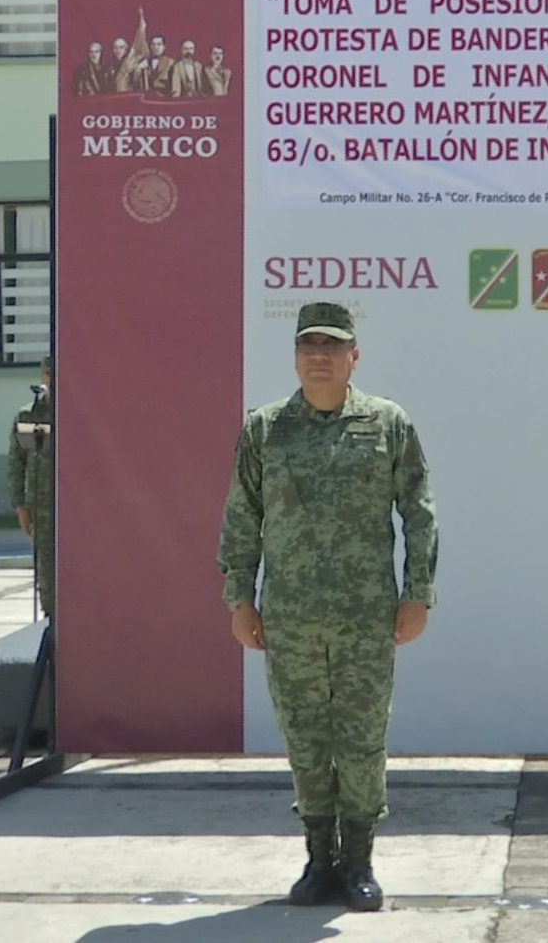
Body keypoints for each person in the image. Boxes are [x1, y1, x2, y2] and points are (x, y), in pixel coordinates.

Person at [217, 303, 438, 910]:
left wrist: (418, 592)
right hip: (288, 617)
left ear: (353, 357)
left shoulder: (386, 423)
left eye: (332, 345)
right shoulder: (266, 428)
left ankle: (360, 862)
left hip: (367, 615)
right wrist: (240, 597)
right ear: (295, 355)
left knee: (363, 742)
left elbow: (418, 512)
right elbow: (242, 518)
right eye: (308, 344)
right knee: (306, 741)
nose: (319, 355)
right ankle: (319, 862)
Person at [8, 356, 55, 619]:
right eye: (49, 376)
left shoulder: (80, 414)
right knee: (46, 572)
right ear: (42, 379)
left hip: (76, 509)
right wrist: (20, 505)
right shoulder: (30, 415)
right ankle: (51, 624)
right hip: (42, 509)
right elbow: (18, 463)